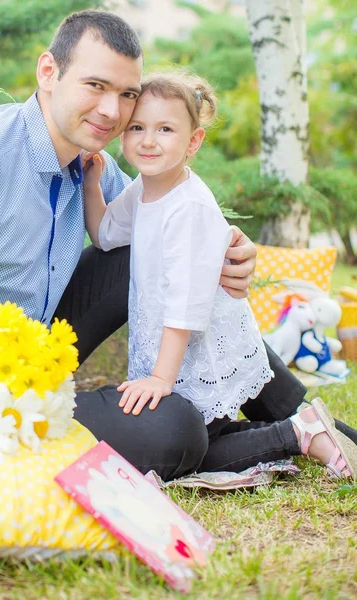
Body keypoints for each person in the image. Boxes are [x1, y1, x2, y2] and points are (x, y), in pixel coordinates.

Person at [0, 10, 354, 483]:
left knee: (156, 252)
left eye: (127, 95)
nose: (113, 112)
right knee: (174, 429)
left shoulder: (92, 165)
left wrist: (231, 249)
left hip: (39, 350)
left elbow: (174, 222)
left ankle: (314, 420)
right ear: (49, 72)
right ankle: (277, 435)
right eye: (96, 86)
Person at [81, 70, 357, 479]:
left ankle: (298, 432)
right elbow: (104, 235)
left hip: (202, 356)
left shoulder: (189, 207)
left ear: (193, 141)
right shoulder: (144, 187)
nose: (148, 140)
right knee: (199, 438)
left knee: (191, 453)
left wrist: (160, 377)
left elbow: (185, 306)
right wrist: (91, 182)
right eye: (137, 127)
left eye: (165, 129)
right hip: (178, 351)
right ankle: (308, 430)